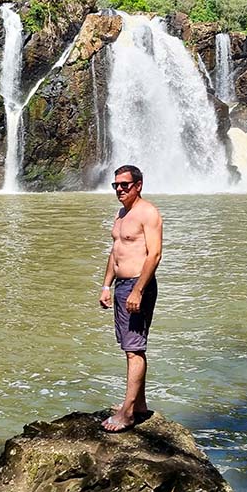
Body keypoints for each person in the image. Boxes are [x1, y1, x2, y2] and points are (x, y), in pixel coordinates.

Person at [98, 164, 163, 432]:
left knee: (134, 349)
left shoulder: (148, 212)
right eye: (116, 185)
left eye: (125, 185)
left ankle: (127, 413)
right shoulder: (122, 213)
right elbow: (116, 252)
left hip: (138, 286)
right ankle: (140, 405)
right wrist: (105, 286)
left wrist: (138, 290)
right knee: (129, 346)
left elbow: (155, 254)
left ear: (138, 185)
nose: (120, 190)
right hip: (122, 285)